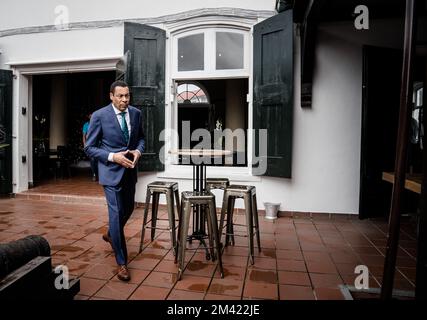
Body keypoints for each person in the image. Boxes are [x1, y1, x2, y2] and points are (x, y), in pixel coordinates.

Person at [84, 81, 145, 281]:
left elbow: (141, 139)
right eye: (120, 96)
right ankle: (121, 262)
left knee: (128, 209)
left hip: (129, 173)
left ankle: (111, 233)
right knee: (116, 213)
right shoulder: (99, 116)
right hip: (110, 173)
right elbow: (90, 148)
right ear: (111, 96)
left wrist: (138, 151)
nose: (124, 100)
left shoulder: (136, 113)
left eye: (127, 96)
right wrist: (113, 156)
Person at [82, 112, 98, 181]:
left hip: (98, 144)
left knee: (98, 160)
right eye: (90, 116)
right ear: (88, 117)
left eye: (93, 116)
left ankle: (99, 174)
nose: (91, 117)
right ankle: (94, 174)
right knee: (92, 159)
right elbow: (84, 136)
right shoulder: (86, 125)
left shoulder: (97, 123)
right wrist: (85, 145)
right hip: (90, 145)